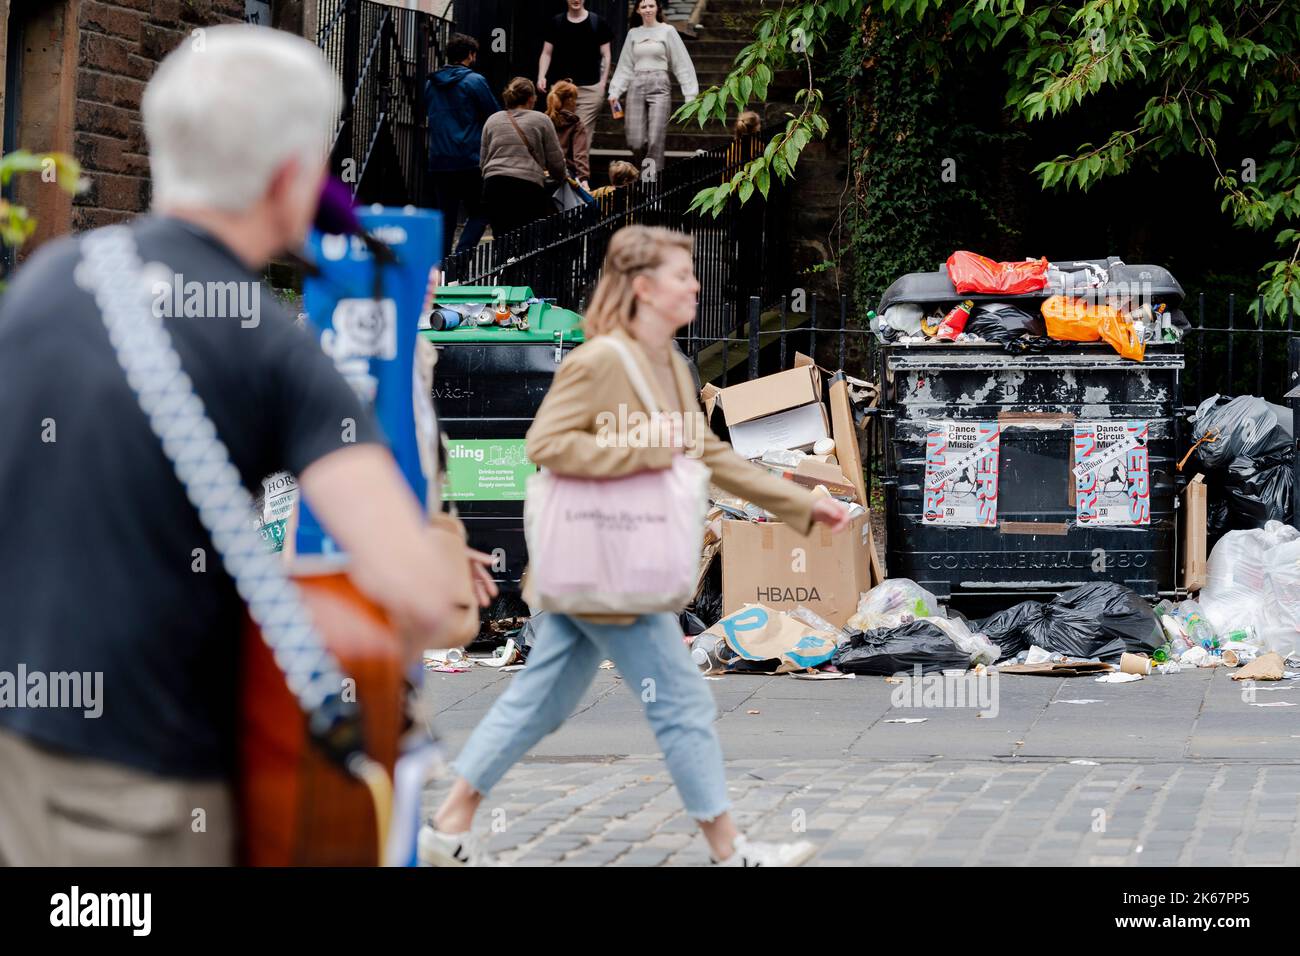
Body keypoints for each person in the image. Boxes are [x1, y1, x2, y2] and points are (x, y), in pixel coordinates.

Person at [0, 26, 495, 867]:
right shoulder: (270, 346)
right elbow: (416, 595)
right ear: (294, 177)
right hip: (154, 791)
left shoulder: (45, 283)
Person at [422, 225, 852, 868]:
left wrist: (800, 503)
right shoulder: (601, 360)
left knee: (544, 698)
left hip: (608, 568)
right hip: (609, 564)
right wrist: (638, 454)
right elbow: (545, 445)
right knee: (679, 703)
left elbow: (705, 453)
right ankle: (730, 851)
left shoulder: (668, 365)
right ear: (645, 288)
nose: (695, 285)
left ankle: (450, 825)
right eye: (683, 275)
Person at [424, 33, 499, 260]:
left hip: (439, 160)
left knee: (445, 218)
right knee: (481, 211)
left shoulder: (431, 84)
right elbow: (494, 116)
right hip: (469, 159)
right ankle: (461, 255)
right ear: (470, 55)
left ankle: (442, 268)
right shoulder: (475, 82)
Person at [608, 0, 698, 182]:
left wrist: (690, 94)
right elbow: (625, 65)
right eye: (644, 6)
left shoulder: (668, 31)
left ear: (657, 8)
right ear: (638, 11)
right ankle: (643, 172)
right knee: (635, 140)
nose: (648, 9)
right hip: (636, 83)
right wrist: (615, 91)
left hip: (659, 85)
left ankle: (650, 187)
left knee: (655, 140)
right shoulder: (634, 33)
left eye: (651, 5)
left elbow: (682, 62)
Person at [480, 78, 568, 238]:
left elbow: (483, 160)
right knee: (526, 240)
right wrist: (561, 178)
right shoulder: (541, 120)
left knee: (501, 238)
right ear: (531, 98)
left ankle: (504, 262)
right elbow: (556, 162)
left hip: (494, 185)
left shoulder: (492, 120)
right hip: (527, 187)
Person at [538, 0, 613, 139]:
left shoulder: (597, 22)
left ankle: (578, 161)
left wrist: (602, 83)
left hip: (590, 89)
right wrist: (541, 76)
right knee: (561, 136)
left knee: (581, 135)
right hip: (562, 90)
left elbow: (606, 55)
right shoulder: (556, 22)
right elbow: (546, 53)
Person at [546, 79, 591, 190]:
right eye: (576, 99)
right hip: (566, 176)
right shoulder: (576, 124)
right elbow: (580, 154)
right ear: (570, 100)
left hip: (542, 174)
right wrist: (583, 179)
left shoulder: (543, 119)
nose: (576, 102)